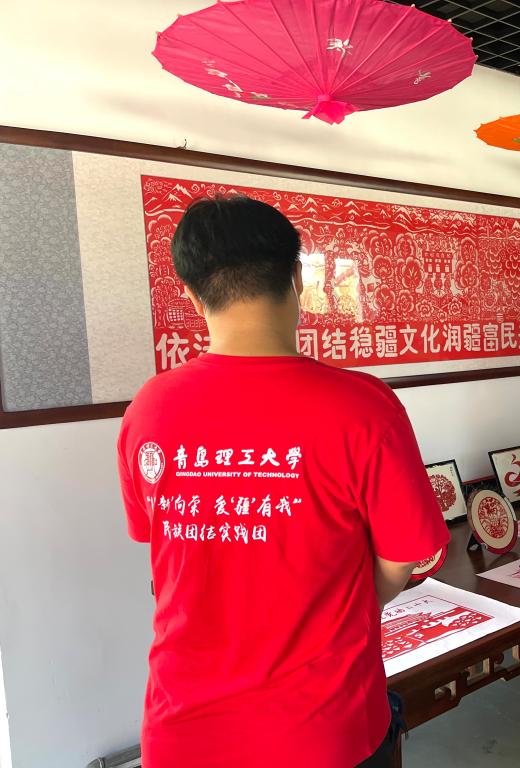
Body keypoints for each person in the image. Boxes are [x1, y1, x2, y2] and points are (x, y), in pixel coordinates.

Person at [116, 195, 449, 768]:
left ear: (191, 294)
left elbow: (160, 548)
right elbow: (403, 559)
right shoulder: (363, 409)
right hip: (326, 730)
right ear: (297, 278)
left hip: (183, 734)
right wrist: (347, 608)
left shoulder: (148, 410)